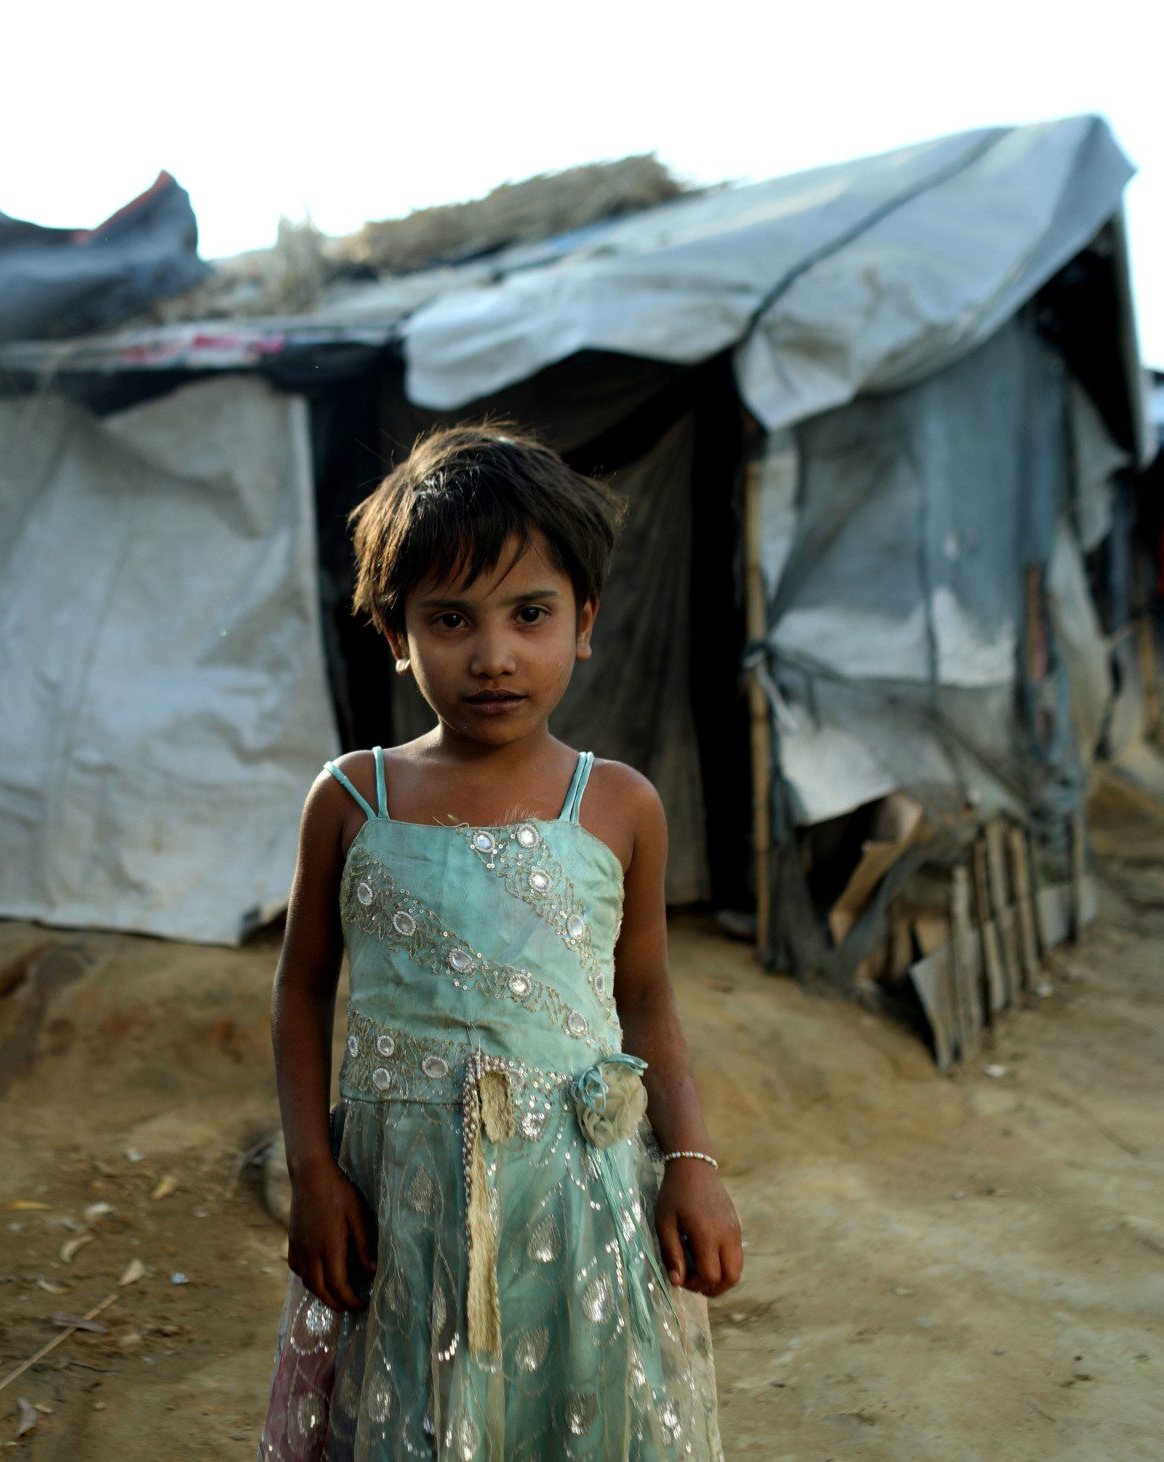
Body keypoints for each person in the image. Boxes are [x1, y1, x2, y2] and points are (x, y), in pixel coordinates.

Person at [260, 426, 738, 1460]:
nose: (492, 655)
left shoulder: (618, 805)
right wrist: (311, 1172)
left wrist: (691, 1162)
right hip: (399, 1204)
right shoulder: (352, 798)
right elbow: (300, 990)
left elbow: (645, 995)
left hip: (576, 1196)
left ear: (583, 622)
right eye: (449, 619)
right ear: (395, 631)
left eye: (529, 613)